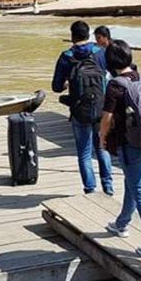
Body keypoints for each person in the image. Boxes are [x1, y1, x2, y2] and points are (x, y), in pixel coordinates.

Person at [99, 39, 141, 259]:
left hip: (131, 146)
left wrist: (102, 138)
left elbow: (107, 118)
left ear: (110, 62)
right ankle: (121, 224)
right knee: (133, 183)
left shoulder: (115, 84)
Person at [52, 20, 114, 196]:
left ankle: (90, 189)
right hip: (101, 109)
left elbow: (56, 87)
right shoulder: (100, 52)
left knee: (84, 153)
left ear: (72, 36)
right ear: (89, 34)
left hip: (80, 111)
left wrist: (66, 83)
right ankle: (108, 187)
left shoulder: (67, 56)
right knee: (102, 148)